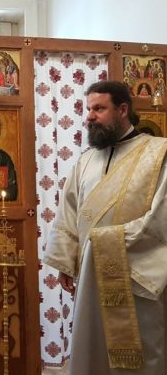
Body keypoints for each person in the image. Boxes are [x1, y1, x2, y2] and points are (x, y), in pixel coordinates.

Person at [43, 81, 167, 374]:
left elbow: (161, 216)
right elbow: (69, 212)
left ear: (122, 110)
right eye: (88, 109)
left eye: (99, 108)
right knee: (93, 348)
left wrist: (109, 243)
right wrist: (66, 259)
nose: (89, 116)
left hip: (138, 277)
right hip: (91, 277)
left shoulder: (158, 152)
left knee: (144, 351)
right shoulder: (86, 161)